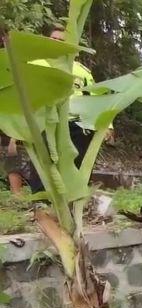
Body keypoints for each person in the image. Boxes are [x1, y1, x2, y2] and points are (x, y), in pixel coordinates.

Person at [10, 26, 112, 194]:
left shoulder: (81, 71)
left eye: (62, 41)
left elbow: (97, 98)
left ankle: (74, 198)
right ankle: (43, 200)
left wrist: (107, 125)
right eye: (54, 39)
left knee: (77, 162)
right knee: (44, 163)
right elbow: (23, 96)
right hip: (43, 122)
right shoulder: (35, 65)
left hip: (76, 124)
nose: (57, 43)